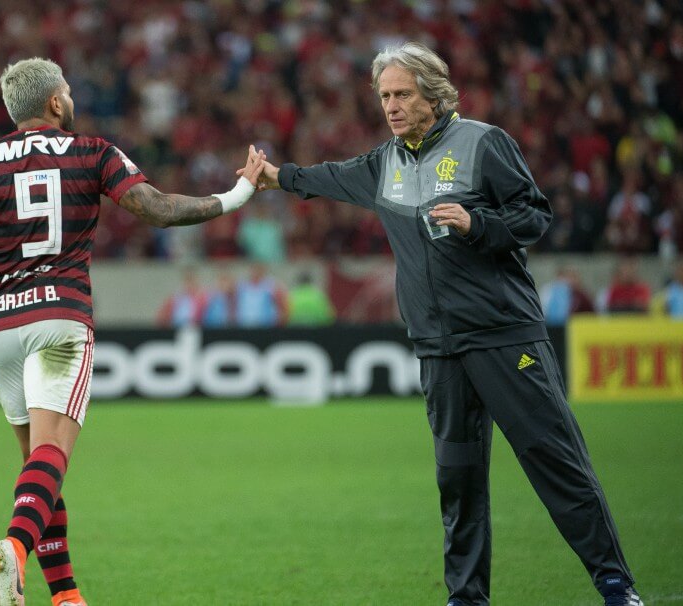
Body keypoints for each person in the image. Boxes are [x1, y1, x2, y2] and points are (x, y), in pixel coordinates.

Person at [241, 42, 641, 606]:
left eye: (402, 93)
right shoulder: (384, 163)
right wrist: (275, 177)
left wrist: (478, 224)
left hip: (505, 336)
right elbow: (327, 177)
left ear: (433, 93)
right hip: (438, 347)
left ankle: (615, 584)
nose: (392, 105)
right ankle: (466, 597)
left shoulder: (482, 142)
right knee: (458, 480)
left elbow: (535, 215)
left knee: (556, 464)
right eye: (384, 96)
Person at [0, 57, 266, 606]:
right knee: (51, 458)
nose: (71, 98)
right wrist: (237, 196)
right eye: (67, 91)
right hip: (59, 320)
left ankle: (67, 596)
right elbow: (158, 210)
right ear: (55, 102)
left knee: (37, 470)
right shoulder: (92, 150)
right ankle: (17, 549)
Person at [234, 262, 288, 327]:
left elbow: (281, 304)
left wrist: (281, 320)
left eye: (258, 270)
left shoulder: (271, 285)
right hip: (246, 323)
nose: (255, 273)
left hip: (266, 324)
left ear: (263, 271)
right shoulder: (242, 285)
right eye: (254, 270)